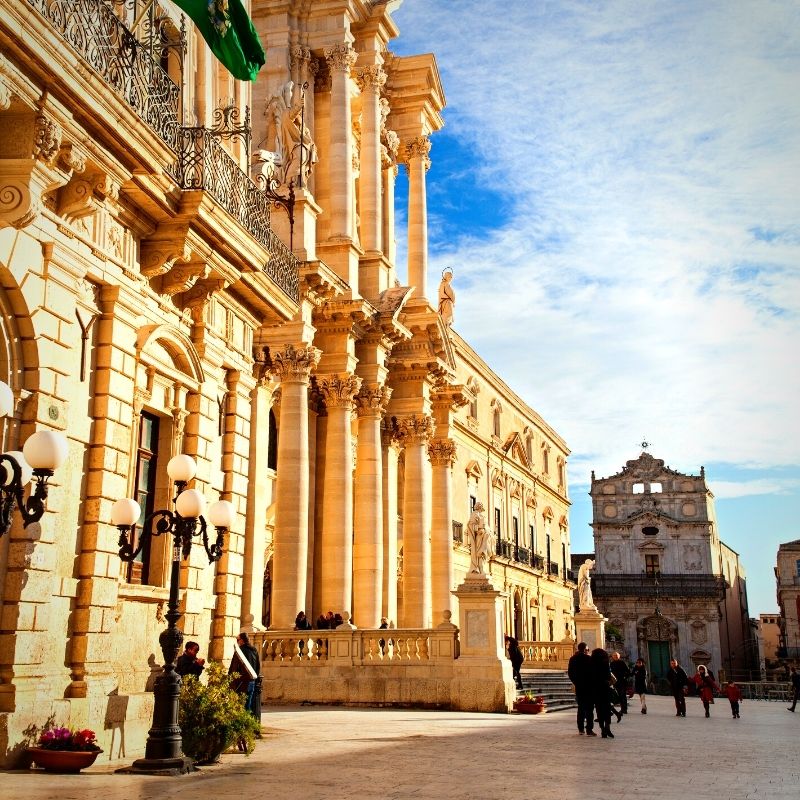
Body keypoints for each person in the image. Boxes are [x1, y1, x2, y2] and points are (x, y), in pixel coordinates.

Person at [568, 642, 595, 736]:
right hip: (589, 686)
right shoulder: (589, 659)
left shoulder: (572, 659)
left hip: (579, 686)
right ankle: (589, 729)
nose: (588, 651)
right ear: (584, 650)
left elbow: (570, 673)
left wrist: (576, 682)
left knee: (581, 708)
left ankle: (581, 729)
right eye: (587, 650)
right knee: (589, 709)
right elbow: (593, 673)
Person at [589, 647, 615, 738]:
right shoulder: (605, 662)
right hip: (605, 687)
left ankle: (602, 729)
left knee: (599, 709)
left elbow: (590, 676)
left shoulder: (591, 663)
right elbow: (608, 675)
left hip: (595, 688)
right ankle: (607, 726)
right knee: (607, 708)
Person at [465, 501, 494, 575]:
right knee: (480, 554)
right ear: (479, 507)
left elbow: (486, 526)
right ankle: (478, 568)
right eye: (480, 506)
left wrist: (487, 530)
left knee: (483, 554)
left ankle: (482, 569)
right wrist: (479, 528)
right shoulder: (474, 514)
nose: (481, 508)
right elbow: (470, 526)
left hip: (485, 537)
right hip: (479, 537)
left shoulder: (482, 516)